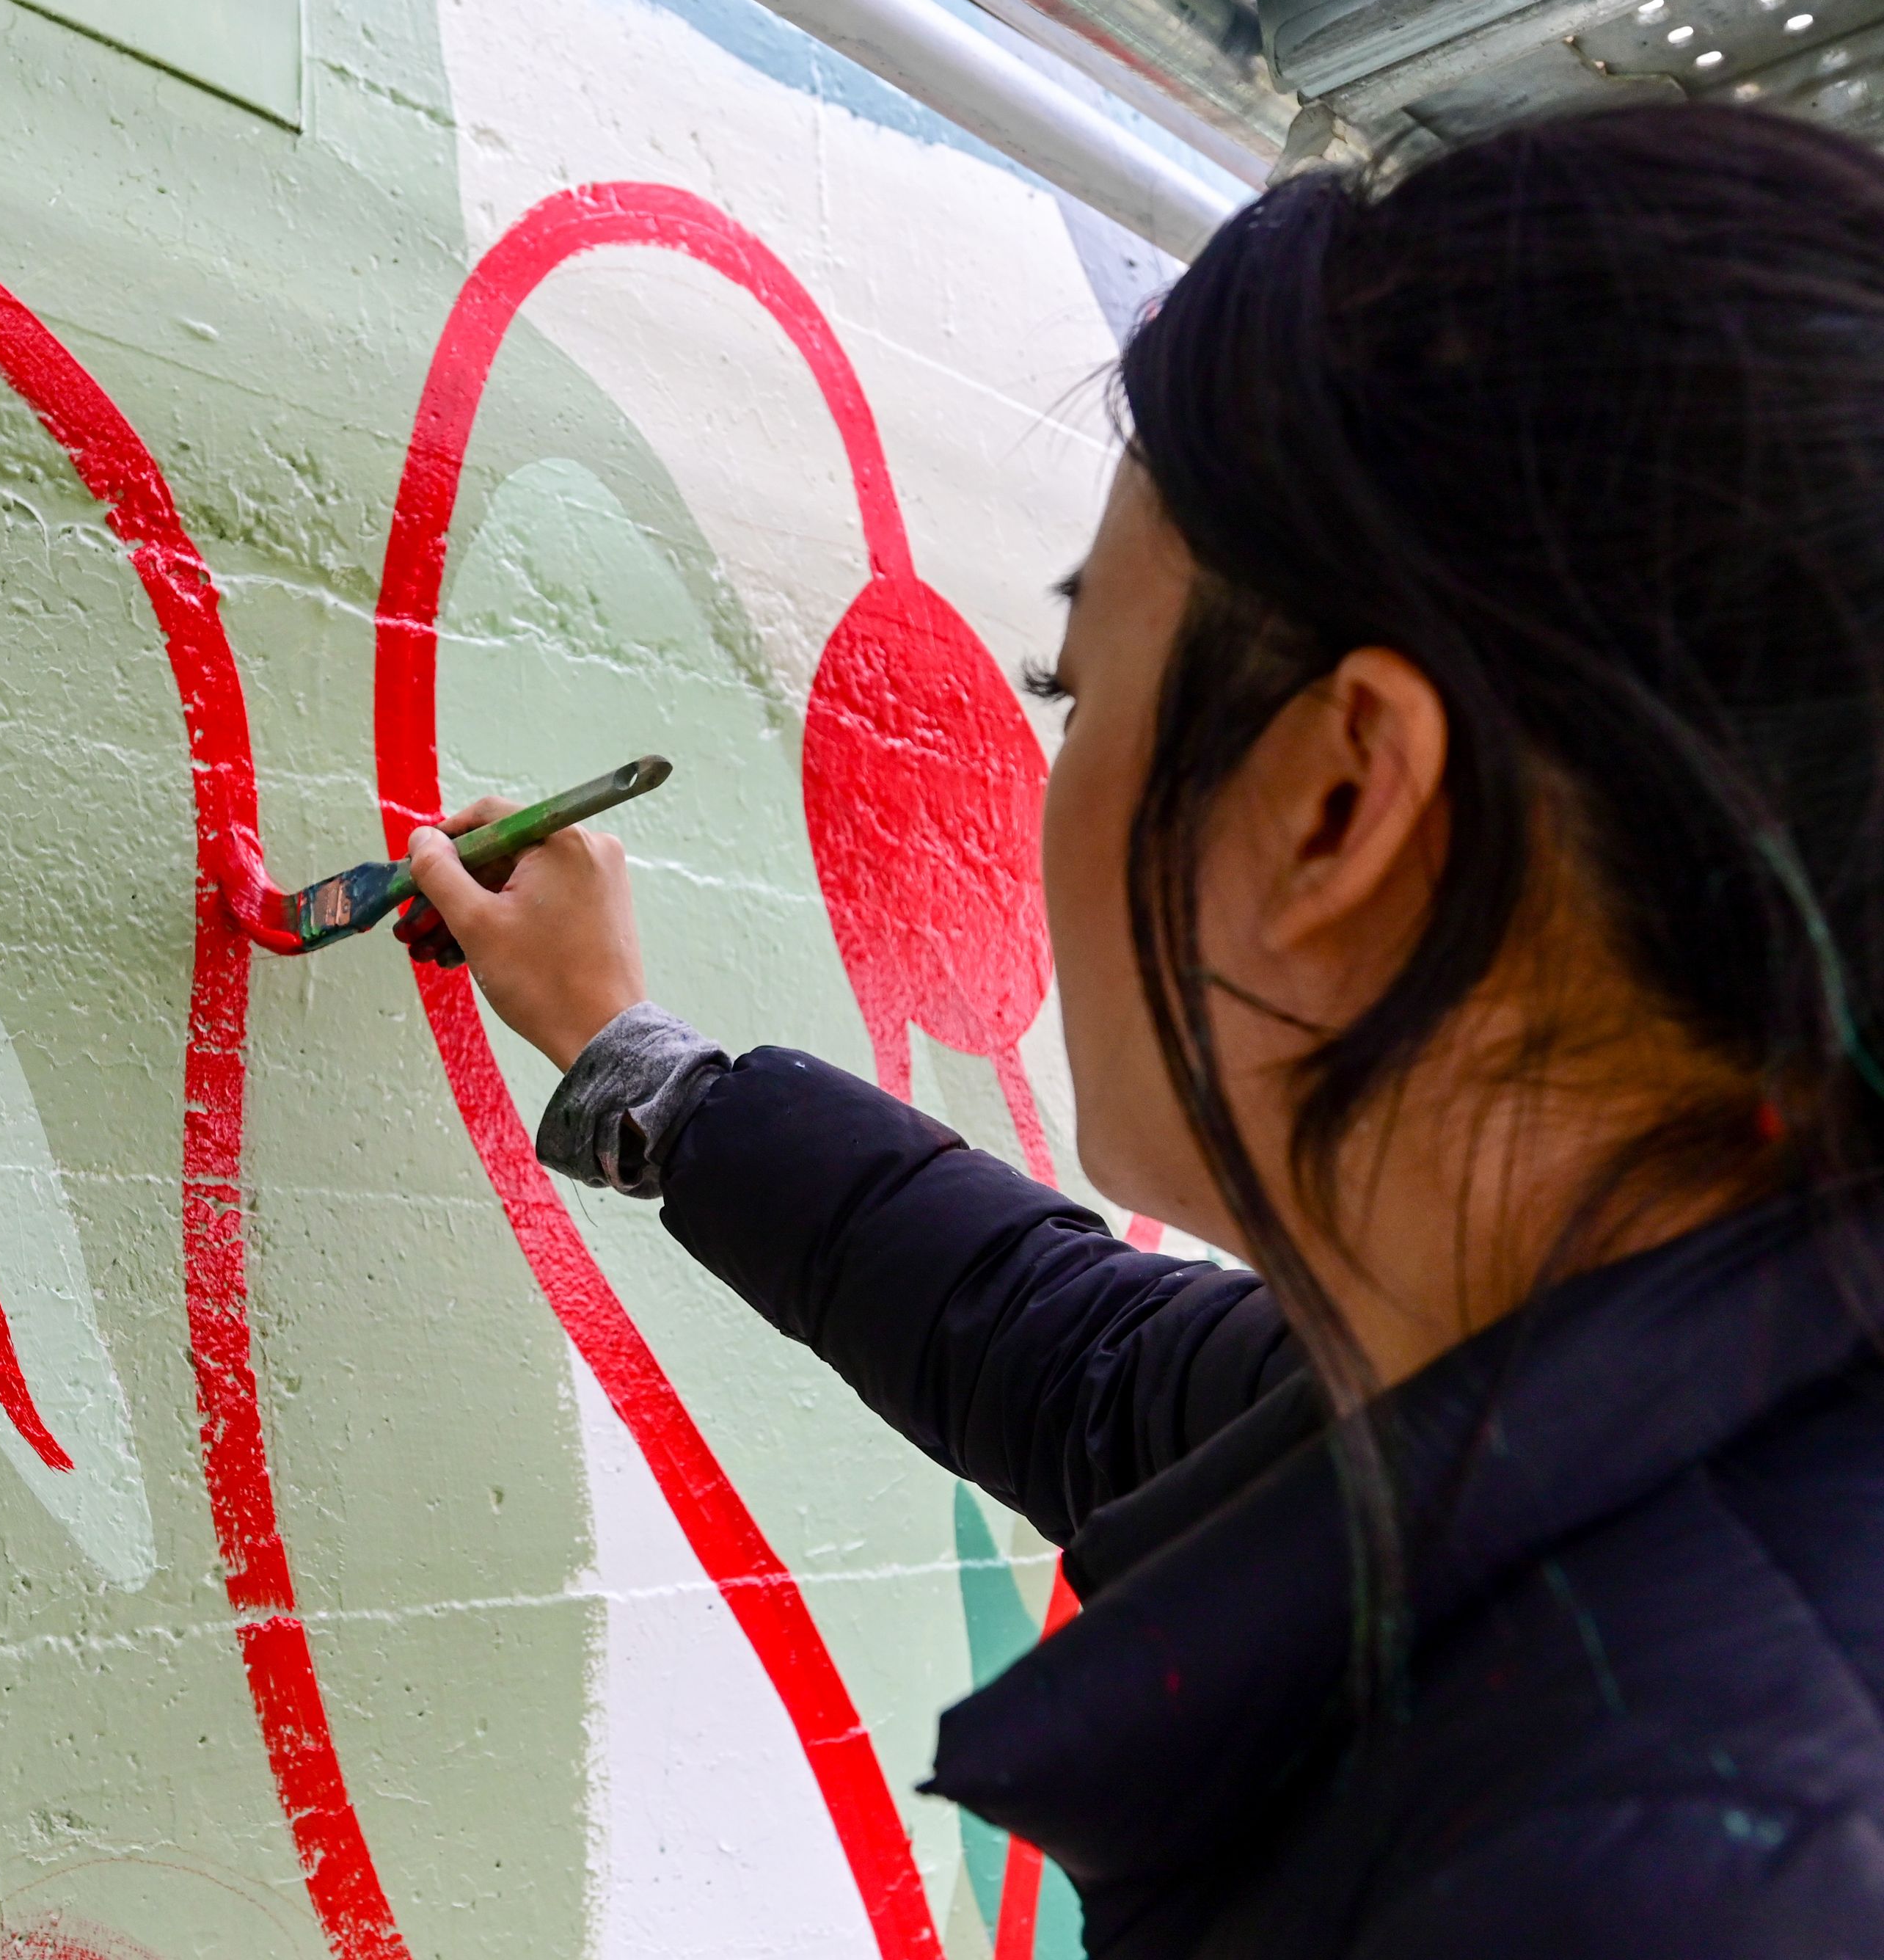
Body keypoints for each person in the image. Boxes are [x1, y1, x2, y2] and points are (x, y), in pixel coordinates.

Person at [401, 106, 1884, 1955]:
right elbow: (1082, 1358)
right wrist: (638, 1060)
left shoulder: (1682, 1870)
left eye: (1075, 684)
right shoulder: (1600, 1362)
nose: (1049, 771)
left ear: (1341, 802)